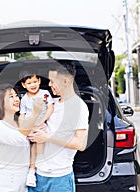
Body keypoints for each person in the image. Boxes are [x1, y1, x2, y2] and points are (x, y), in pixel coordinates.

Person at [27, 61, 89, 192]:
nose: (49, 85)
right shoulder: (52, 103)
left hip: (59, 178)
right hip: (37, 175)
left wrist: (47, 137)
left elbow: (80, 144)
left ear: (65, 81)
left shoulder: (78, 107)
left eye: (52, 81)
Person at [0, 83, 44, 192]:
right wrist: (35, 114)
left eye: (16, 96)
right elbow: (18, 138)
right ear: (1, 102)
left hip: (24, 179)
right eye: (11, 97)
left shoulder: (20, 123)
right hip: (6, 181)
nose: (16, 99)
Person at [19, 69, 54, 187]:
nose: (32, 85)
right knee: (31, 145)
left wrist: (43, 119)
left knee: (41, 141)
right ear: (23, 85)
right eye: (29, 83)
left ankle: (35, 168)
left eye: (34, 81)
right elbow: (22, 115)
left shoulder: (45, 93)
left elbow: (50, 108)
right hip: (29, 125)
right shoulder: (24, 99)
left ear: (39, 81)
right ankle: (32, 170)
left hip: (41, 124)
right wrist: (22, 127)